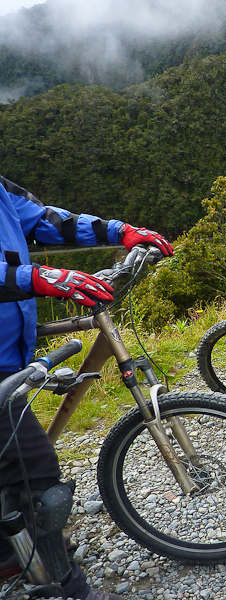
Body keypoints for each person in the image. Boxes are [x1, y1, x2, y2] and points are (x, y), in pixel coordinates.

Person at [0, 175, 174, 599]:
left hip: (8, 355)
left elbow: (51, 222)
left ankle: (10, 553)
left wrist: (121, 231)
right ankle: (65, 588)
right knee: (36, 471)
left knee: (10, 463)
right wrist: (37, 278)